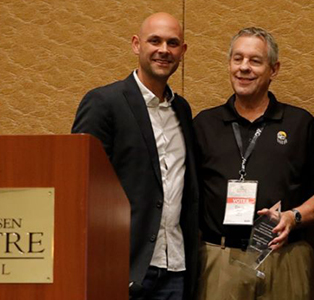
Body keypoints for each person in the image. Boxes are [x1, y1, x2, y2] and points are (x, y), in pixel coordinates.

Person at [193, 27, 314, 300]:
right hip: (219, 258)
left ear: (274, 69)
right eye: (237, 59)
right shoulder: (204, 124)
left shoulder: (299, 123)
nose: (244, 67)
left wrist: (293, 217)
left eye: (255, 61)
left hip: (285, 257)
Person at [72, 12, 199, 300]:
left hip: (175, 268)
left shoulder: (183, 110)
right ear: (136, 45)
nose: (164, 50)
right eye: (154, 41)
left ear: (183, 51)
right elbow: (80, 186)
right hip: (123, 268)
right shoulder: (105, 103)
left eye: (173, 43)